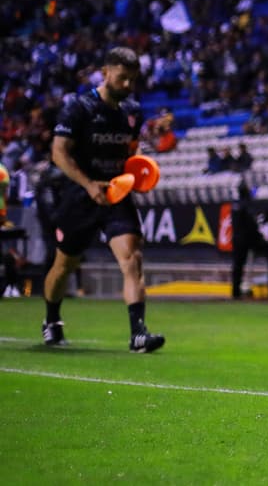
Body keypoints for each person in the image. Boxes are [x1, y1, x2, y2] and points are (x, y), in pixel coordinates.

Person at [41, 47, 164, 353]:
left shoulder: (132, 112)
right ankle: (52, 319)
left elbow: (131, 150)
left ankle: (138, 333)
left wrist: (138, 173)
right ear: (105, 72)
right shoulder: (78, 108)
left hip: (116, 195)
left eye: (132, 80)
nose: (128, 85)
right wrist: (87, 184)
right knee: (64, 266)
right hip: (80, 196)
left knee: (132, 258)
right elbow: (59, 153)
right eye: (122, 78)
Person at [230, 177, 268, 300]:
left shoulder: (235, 205)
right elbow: (252, 225)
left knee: (237, 265)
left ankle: (235, 291)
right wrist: (260, 237)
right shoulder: (249, 205)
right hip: (248, 239)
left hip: (237, 239)